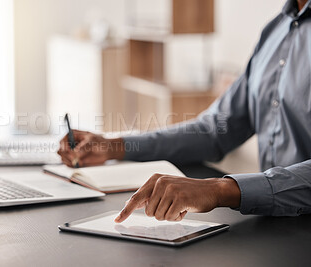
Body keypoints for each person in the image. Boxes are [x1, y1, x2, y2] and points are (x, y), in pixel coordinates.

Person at [58, 0, 311, 223]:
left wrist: (222, 190)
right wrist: (116, 146)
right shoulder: (275, 31)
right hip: (271, 223)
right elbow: (214, 130)